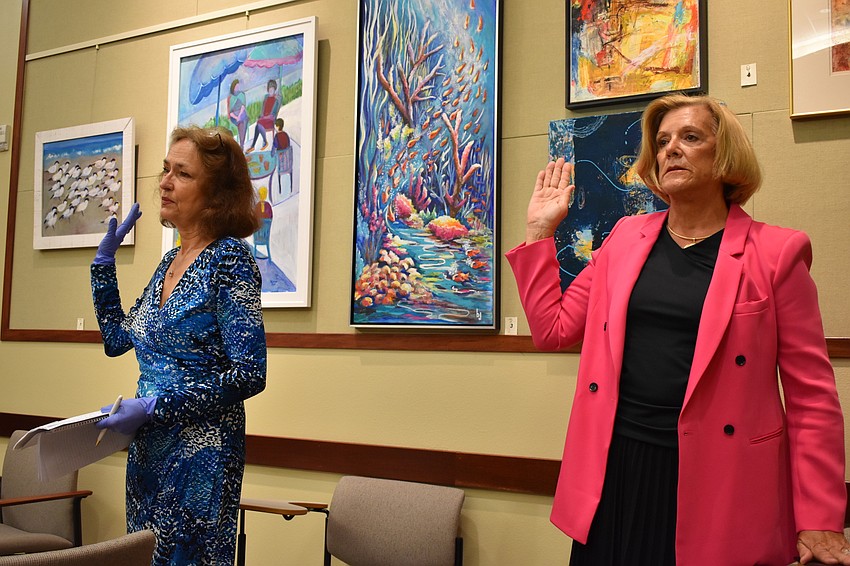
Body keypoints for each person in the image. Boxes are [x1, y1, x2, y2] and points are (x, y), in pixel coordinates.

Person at [505, 94, 848, 565]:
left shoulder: (777, 254)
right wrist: (540, 233)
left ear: (725, 155)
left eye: (690, 137)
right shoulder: (624, 239)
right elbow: (553, 330)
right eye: (663, 141)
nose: (671, 149)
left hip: (718, 477)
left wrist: (820, 516)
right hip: (616, 469)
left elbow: (812, 398)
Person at [90, 126, 267, 565]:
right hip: (149, 453)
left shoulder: (230, 259)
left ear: (216, 195)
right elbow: (117, 340)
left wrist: (155, 407)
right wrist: (103, 267)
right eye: (166, 169)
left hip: (201, 457)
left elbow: (250, 374)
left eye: (182, 174)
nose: (165, 183)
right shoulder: (169, 262)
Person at [246, 79, 281, 153]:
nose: (271, 90)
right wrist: (261, 116)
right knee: (258, 125)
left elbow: (273, 114)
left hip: (270, 119)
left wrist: (264, 117)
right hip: (263, 119)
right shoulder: (266, 97)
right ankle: (254, 146)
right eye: (269, 88)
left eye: (272, 88)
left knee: (259, 124)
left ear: (275, 89)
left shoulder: (276, 99)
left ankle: (261, 143)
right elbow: (263, 110)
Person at [228, 79, 248, 149]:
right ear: (233, 87)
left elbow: (243, 107)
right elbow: (230, 113)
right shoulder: (231, 98)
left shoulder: (242, 94)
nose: (237, 88)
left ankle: (241, 144)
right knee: (241, 122)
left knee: (243, 121)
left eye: (238, 86)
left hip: (242, 113)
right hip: (234, 116)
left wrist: (239, 116)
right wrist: (236, 117)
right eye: (236, 87)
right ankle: (241, 144)